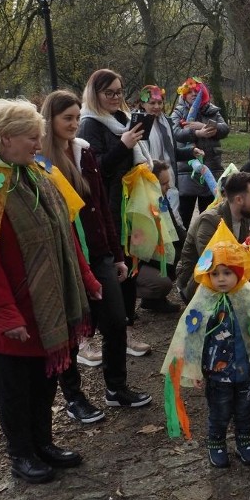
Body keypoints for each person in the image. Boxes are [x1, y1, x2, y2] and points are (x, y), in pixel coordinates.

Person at [0, 99, 100, 483]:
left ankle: (43, 443)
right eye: (32, 137)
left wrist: (88, 279)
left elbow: (65, 234)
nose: (38, 144)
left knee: (46, 378)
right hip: (12, 309)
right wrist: (5, 313)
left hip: (48, 302)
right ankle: (21, 454)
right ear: (6, 138)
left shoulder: (34, 173)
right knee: (16, 385)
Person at [41, 90, 153, 421]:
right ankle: (74, 398)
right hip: (66, 258)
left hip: (100, 252)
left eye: (77, 117)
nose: (75, 124)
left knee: (116, 320)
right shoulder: (42, 162)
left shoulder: (83, 153)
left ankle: (116, 388)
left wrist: (116, 254)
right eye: (67, 118)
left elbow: (101, 205)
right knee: (73, 329)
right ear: (51, 120)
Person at [160, 222, 250, 467]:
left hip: (245, 369)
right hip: (216, 372)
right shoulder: (204, 300)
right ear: (207, 275)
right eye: (215, 274)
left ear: (238, 272)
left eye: (227, 273)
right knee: (219, 410)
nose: (221, 279)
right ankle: (216, 442)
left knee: (246, 408)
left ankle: (244, 440)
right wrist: (193, 367)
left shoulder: (247, 296)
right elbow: (190, 335)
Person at [77, 68, 153, 357]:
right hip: (108, 206)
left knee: (130, 265)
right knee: (108, 268)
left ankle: (126, 326)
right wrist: (124, 145)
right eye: (109, 92)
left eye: (120, 91)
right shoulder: (90, 125)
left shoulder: (122, 118)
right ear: (95, 94)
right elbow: (96, 171)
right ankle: (91, 337)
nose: (116, 97)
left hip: (131, 203)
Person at [176, 172, 250, 303]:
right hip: (198, 280)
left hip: (229, 276)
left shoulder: (247, 217)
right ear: (239, 200)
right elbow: (210, 262)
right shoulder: (210, 221)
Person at [171, 76, 230, 230]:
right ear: (184, 94)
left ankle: (207, 250)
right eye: (190, 91)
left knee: (209, 220)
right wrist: (197, 133)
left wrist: (203, 125)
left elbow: (225, 129)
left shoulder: (212, 110)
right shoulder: (179, 112)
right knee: (182, 219)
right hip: (186, 172)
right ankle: (182, 251)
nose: (194, 94)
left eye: (197, 91)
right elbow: (175, 132)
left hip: (211, 169)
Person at [135, 160, 185, 313]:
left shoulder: (161, 200)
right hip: (138, 263)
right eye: (163, 184)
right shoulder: (140, 208)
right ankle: (138, 293)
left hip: (155, 258)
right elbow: (141, 251)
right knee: (163, 281)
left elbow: (175, 229)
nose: (168, 187)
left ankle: (154, 300)